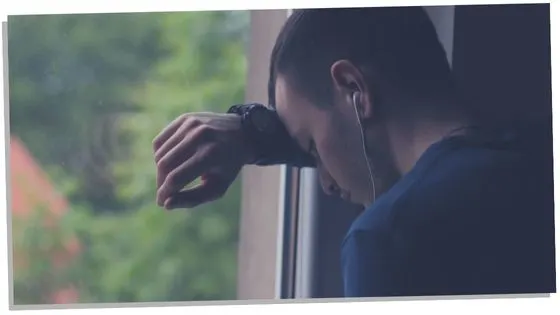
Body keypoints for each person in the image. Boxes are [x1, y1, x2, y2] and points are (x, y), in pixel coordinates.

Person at [152, 7, 556, 297]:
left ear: (354, 88)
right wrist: (256, 133)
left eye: (311, 147)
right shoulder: (540, 151)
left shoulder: (389, 239)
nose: (325, 183)